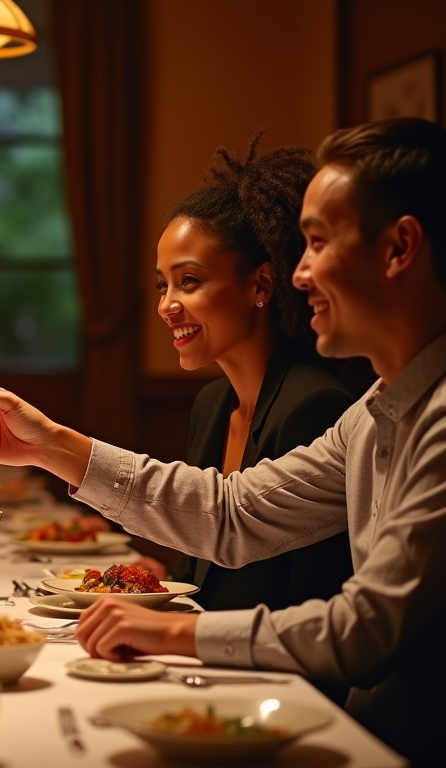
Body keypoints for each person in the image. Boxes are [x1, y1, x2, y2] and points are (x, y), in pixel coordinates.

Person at [0, 118, 445, 766]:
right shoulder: (377, 409)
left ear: (399, 247)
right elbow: (232, 512)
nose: (300, 273)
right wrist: (48, 445)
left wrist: (177, 631)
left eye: (318, 243)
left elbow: (364, 631)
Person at [143, 134, 354, 620]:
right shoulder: (213, 404)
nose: (167, 305)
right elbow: (198, 570)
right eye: (163, 284)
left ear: (260, 284)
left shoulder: (313, 406)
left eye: (189, 281)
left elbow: (308, 607)